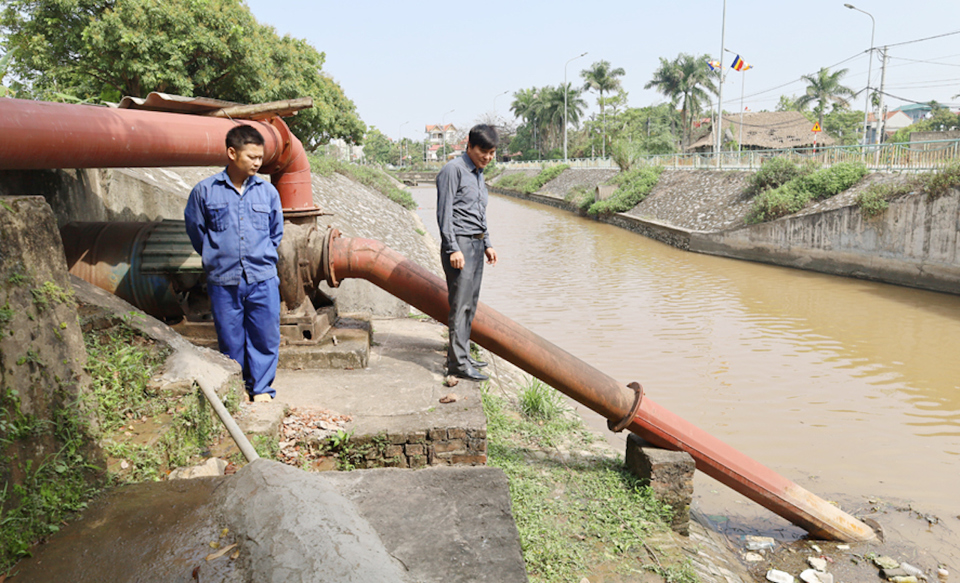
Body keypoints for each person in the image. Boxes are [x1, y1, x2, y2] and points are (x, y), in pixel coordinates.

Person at [184, 125, 284, 402]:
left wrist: (260, 256)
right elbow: (196, 231)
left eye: (260, 157)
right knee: (230, 339)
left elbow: (276, 233)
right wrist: (215, 256)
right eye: (251, 156)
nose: (257, 162)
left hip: (262, 278)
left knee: (265, 336)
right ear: (232, 153)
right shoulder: (204, 192)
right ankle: (236, 388)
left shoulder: (268, 193)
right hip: (223, 280)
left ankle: (261, 389)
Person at [436, 124, 499, 381]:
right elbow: (444, 212)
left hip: (476, 243)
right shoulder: (453, 170)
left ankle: (462, 355)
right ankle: (457, 365)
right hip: (459, 246)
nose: (488, 157)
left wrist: (488, 244)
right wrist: (452, 248)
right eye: (483, 151)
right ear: (469, 147)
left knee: (470, 305)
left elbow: (478, 213)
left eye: (492, 152)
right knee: (459, 306)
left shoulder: (478, 173)